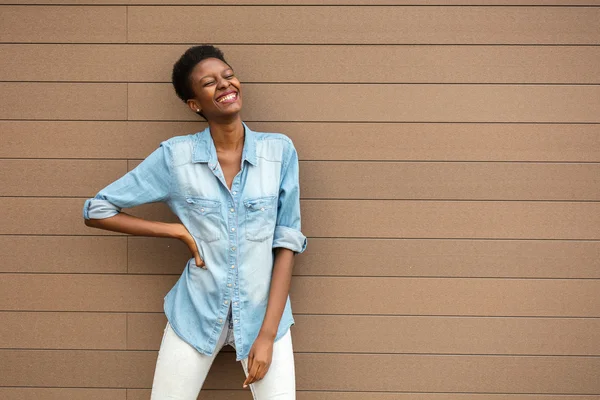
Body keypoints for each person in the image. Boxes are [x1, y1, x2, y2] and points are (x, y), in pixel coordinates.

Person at [82, 45, 307, 399]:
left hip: (265, 316)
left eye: (228, 75)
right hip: (197, 312)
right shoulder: (176, 157)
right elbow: (97, 210)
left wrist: (266, 336)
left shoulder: (279, 151)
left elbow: (287, 242)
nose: (224, 84)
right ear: (194, 104)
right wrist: (173, 230)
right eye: (209, 82)